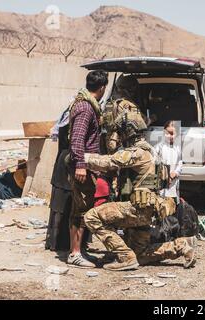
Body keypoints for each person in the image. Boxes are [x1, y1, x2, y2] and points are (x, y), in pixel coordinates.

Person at [82, 110, 197, 271]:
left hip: (137, 209)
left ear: (128, 132)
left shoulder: (138, 152)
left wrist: (81, 158)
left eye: (120, 133)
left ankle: (124, 257)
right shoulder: (152, 151)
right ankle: (181, 245)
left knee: (91, 217)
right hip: (149, 211)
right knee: (141, 255)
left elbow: (108, 162)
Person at [67, 70, 109, 268]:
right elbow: (77, 139)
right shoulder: (85, 108)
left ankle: (79, 250)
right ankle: (75, 253)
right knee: (80, 210)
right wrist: (81, 166)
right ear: (102, 88)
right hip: (82, 166)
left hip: (87, 165)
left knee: (82, 208)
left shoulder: (86, 105)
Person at [45, 108, 72, 252]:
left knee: (59, 205)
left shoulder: (66, 115)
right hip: (68, 164)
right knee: (63, 204)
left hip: (62, 161)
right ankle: (61, 243)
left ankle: (55, 242)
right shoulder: (77, 115)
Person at [154, 121, 183, 206]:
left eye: (172, 134)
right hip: (162, 181)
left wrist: (175, 173)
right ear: (164, 132)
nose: (170, 136)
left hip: (174, 180)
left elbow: (180, 163)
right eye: (168, 133)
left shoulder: (177, 148)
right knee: (161, 202)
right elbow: (155, 163)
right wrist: (165, 175)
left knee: (173, 203)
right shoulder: (159, 147)